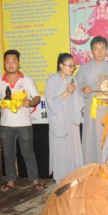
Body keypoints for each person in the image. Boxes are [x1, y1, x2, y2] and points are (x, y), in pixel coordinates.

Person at [0, 49, 43, 192]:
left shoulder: (27, 80)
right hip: (6, 124)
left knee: (28, 153)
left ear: (18, 63)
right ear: (4, 64)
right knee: (8, 154)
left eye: (13, 61)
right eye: (7, 61)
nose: (10, 64)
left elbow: (37, 97)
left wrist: (30, 103)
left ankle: (35, 180)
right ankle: (10, 181)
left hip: (24, 124)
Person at [75, 36, 108, 164]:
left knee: (105, 139)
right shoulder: (84, 68)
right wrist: (83, 89)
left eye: (102, 48)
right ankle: (90, 169)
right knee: (90, 140)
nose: (99, 52)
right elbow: (75, 86)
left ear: (106, 50)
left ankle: (106, 168)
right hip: (91, 111)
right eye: (96, 49)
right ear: (91, 50)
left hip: (106, 111)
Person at [44, 53, 84, 183]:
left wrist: (73, 95)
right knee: (61, 152)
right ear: (61, 66)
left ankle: (74, 179)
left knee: (73, 151)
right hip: (59, 122)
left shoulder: (72, 80)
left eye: (74, 66)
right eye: (70, 66)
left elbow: (78, 100)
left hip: (71, 121)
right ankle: (61, 181)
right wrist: (67, 92)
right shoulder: (51, 81)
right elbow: (51, 104)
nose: (73, 69)